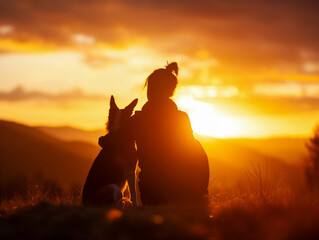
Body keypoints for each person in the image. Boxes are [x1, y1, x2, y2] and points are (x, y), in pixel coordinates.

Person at [127, 62, 209, 205]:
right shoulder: (182, 118)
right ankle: (200, 195)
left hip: (151, 191)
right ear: (171, 91)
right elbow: (194, 154)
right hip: (183, 189)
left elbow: (115, 141)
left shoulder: (138, 120)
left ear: (150, 90)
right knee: (197, 145)